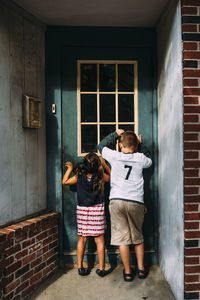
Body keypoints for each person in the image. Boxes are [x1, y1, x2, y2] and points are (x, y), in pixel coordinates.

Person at [97, 129, 152, 282]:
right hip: (136, 201)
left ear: (120, 145)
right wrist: (142, 144)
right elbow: (150, 159)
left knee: (122, 239)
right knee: (138, 236)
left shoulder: (115, 156)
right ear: (135, 146)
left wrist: (115, 133)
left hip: (117, 200)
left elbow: (101, 146)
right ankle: (141, 269)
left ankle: (128, 272)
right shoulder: (140, 157)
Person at [62, 152, 111, 277]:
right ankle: (101, 269)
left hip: (83, 211)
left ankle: (80, 267)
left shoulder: (79, 176)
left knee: (82, 239)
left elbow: (65, 181)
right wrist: (105, 165)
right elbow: (112, 177)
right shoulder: (100, 177)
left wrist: (70, 169)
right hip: (97, 211)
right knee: (99, 240)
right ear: (97, 166)